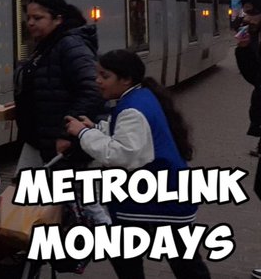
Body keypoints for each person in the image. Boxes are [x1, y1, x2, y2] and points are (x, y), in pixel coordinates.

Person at [65, 49, 211, 279]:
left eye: (105, 76)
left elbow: (122, 154)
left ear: (125, 79)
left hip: (154, 201)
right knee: (179, 259)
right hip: (161, 196)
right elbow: (127, 138)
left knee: (172, 260)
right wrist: (95, 129)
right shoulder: (139, 97)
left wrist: (84, 134)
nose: (98, 81)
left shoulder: (132, 108)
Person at [14, 0, 103, 170]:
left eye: (38, 18)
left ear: (58, 19)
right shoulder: (48, 44)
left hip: (59, 142)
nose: (30, 23)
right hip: (40, 139)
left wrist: (67, 133)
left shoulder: (69, 45)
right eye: (29, 17)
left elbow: (92, 89)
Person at [234, 0, 261, 157]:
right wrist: (243, 50)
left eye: (252, 13)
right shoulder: (254, 35)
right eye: (245, 12)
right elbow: (254, 77)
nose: (246, 18)